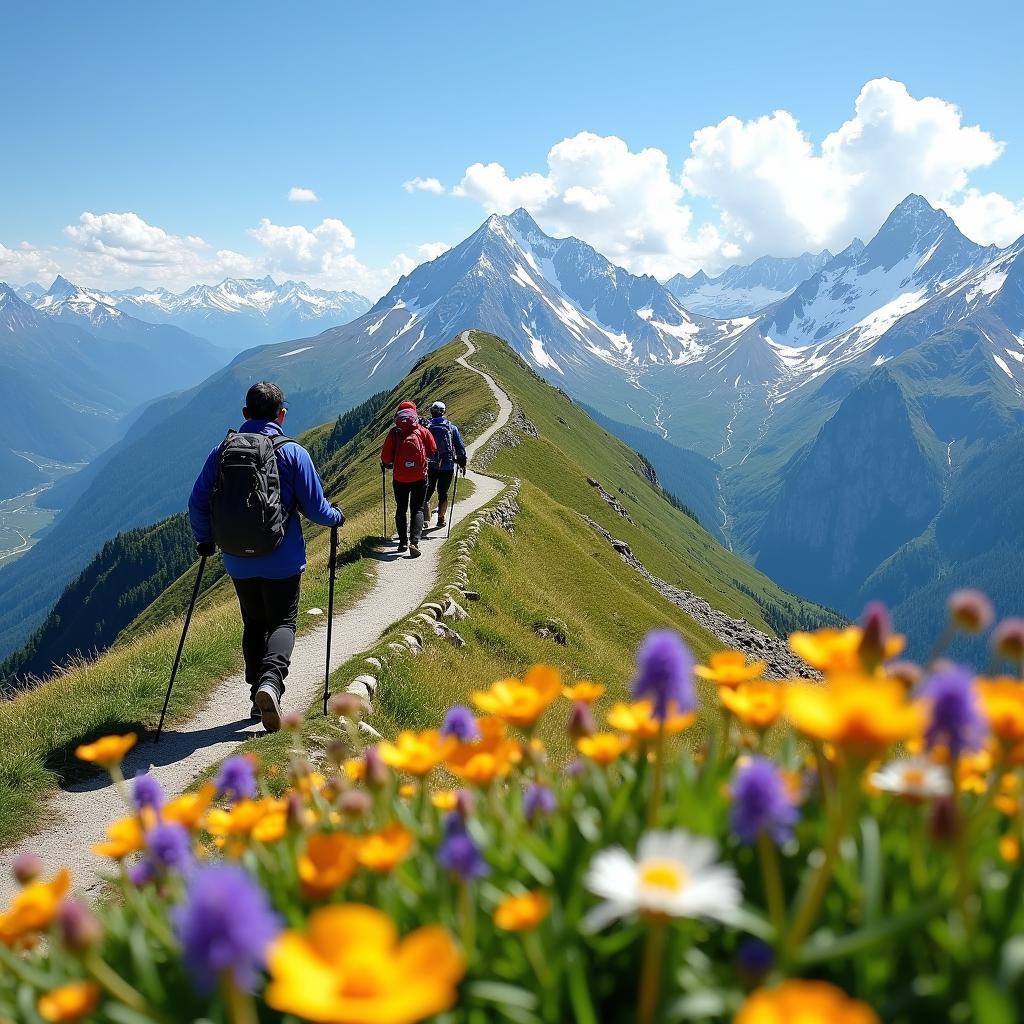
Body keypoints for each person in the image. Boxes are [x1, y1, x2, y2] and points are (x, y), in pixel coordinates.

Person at [188, 381, 344, 733]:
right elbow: (317, 510)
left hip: (237, 559)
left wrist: (205, 541)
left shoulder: (222, 451)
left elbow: (197, 503)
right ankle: (270, 684)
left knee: (254, 623)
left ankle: (255, 698)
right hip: (282, 558)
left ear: (245, 414)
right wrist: (338, 516)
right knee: (283, 623)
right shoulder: (293, 453)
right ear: (282, 415)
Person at [380, 400, 436, 558]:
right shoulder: (422, 430)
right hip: (419, 477)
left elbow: (386, 457)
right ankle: (415, 542)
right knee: (417, 509)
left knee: (401, 509)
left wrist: (387, 464)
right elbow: (433, 450)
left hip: (400, 478)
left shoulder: (394, 432)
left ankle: (402, 542)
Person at [422, 401, 467, 529]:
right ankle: (441, 518)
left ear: (431, 411)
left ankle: (426, 519)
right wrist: (462, 462)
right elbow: (459, 447)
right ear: (444, 412)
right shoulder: (451, 428)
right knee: (443, 493)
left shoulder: (426, 427)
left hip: (430, 465)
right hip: (447, 465)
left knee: (427, 491)